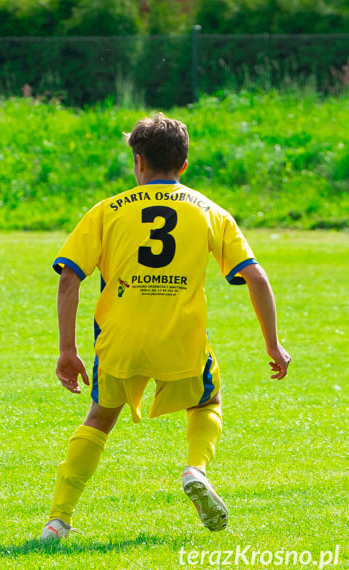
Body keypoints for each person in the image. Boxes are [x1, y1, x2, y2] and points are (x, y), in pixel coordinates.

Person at [40, 113, 291, 542]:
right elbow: (257, 277)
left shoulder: (107, 210)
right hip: (181, 338)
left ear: (138, 161)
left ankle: (57, 521)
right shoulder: (210, 210)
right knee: (207, 402)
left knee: (99, 417)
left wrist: (68, 349)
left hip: (121, 339)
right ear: (184, 164)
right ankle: (195, 468)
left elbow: (69, 278)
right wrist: (273, 343)